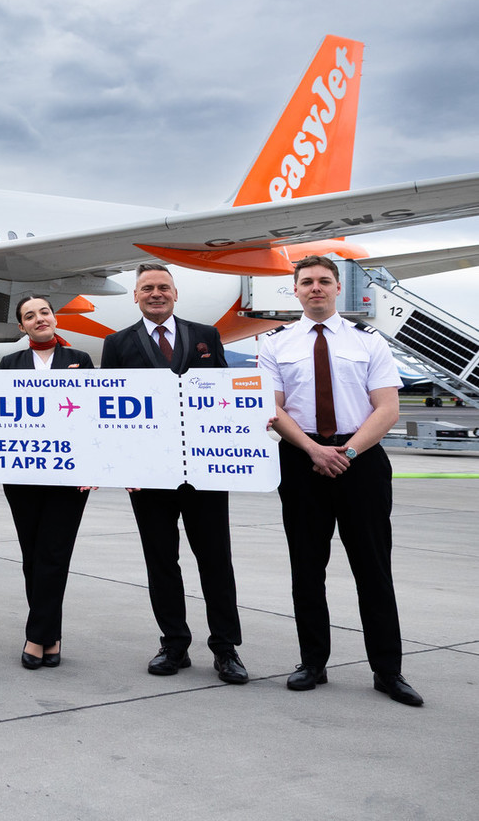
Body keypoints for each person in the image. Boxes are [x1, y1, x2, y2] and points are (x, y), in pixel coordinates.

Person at [259, 255, 423, 706]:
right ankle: (312, 663)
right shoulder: (274, 343)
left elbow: (387, 408)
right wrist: (313, 450)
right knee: (307, 569)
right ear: (295, 290)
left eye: (324, 281)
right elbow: (272, 407)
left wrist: (346, 453)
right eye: (307, 281)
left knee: (373, 569)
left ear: (337, 288)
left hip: (361, 461)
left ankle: (388, 671)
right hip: (301, 460)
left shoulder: (368, 340)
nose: (316, 288)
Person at [100, 264, 248, 684]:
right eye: (147, 288)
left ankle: (225, 648)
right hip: (148, 474)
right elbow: (107, 408)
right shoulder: (117, 343)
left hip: (203, 469)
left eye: (163, 287)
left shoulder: (206, 336)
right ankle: (174, 643)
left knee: (216, 560)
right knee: (161, 561)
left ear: (175, 293)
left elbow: (224, 394)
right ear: (135, 296)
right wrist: (121, 465)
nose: (156, 293)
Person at [0, 295, 92, 669]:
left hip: (69, 475)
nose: (39, 319)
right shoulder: (9, 364)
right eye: (30, 316)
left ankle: (36, 638)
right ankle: (51, 636)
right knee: (32, 556)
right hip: (22, 474)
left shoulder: (80, 360)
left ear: (54, 318)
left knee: (55, 554)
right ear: (21, 326)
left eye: (44, 312)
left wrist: (92, 467)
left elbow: (93, 417)